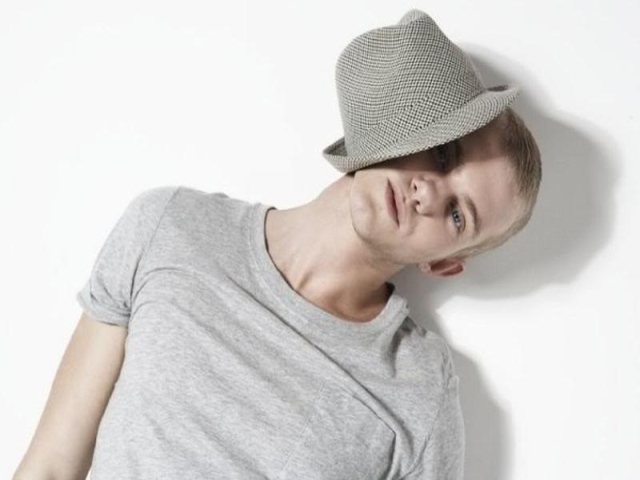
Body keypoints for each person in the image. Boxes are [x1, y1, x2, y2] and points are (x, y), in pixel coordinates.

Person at [13, 9, 541, 480]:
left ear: (443, 263)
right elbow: (52, 465)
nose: (427, 192)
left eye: (457, 214)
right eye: (445, 155)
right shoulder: (170, 225)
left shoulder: (419, 392)